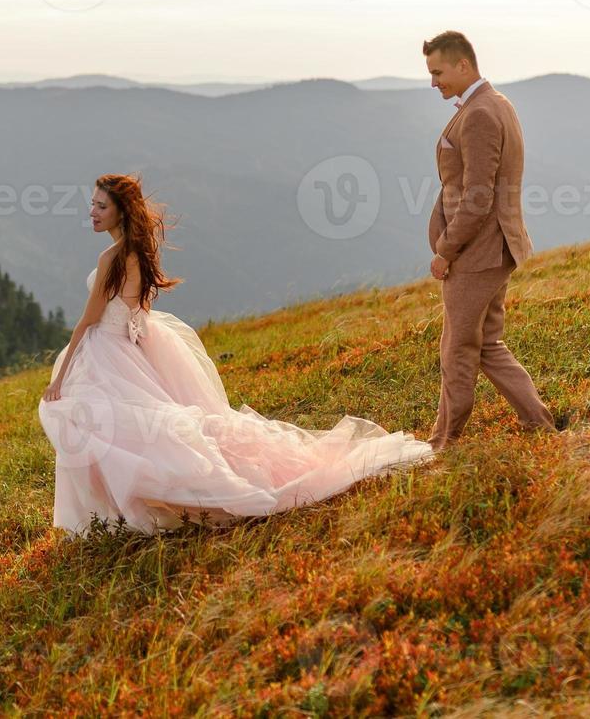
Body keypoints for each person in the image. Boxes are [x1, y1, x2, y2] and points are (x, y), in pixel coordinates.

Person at [37, 173, 432, 537]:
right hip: (135, 345)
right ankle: (129, 507)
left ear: (121, 211)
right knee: (137, 431)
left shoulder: (110, 259)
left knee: (100, 427)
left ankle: (120, 513)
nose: (92, 212)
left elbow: (88, 321)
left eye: (100, 206)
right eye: (91, 204)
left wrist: (59, 378)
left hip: (109, 349)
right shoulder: (140, 251)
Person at [423, 30, 557, 449]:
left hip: (478, 253)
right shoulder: (499, 104)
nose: (434, 82)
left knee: (457, 350)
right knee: (486, 345)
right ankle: (540, 424)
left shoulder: (481, 113)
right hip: (497, 248)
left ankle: (445, 443)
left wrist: (445, 250)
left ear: (464, 65)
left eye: (438, 71)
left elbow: (478, 198)